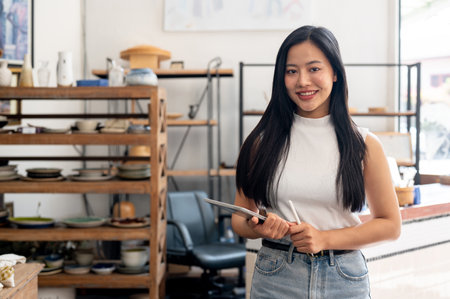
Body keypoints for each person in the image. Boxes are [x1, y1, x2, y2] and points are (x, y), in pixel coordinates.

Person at [232, 25, 401, 298]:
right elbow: (239, 218)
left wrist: (324, 239)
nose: (302, 81)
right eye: (291, 71)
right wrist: (257, 225)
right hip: (277, 275)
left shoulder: (365, 145)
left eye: (314, 69)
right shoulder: (261, 144)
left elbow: (391, 225)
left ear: (335, 73)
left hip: (344, 278)